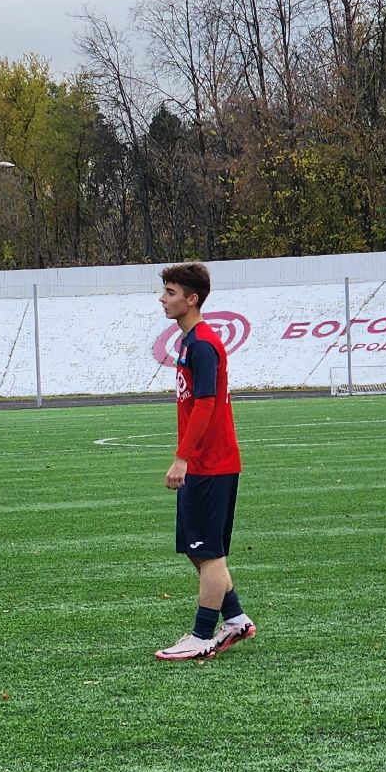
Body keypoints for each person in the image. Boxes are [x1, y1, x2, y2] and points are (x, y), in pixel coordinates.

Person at [154, 263, 254, 661]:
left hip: (211, 464)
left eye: (171, 292)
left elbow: (207, 404)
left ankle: (200, 636)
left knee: (209, 553)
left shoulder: (202, 344)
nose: (163, 298)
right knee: (197, 549)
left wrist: (183, 457)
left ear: (192, 299)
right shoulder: (188, 341)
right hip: (204, 465)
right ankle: (235, 619)